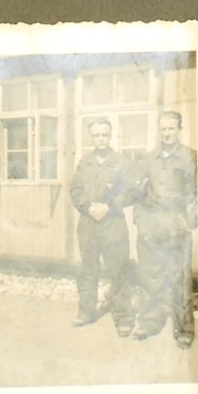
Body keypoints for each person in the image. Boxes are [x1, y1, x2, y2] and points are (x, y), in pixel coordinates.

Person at [131, 111, 198, 348]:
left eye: (171, 128)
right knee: (150, 275)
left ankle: (184, 328)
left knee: (180, 278)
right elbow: (139, 193)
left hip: (176, 225)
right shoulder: (149, 159)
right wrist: (140, 220)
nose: (167, 133)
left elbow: (196, 193)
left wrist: (190, 221)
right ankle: (149, 321)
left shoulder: (190, 157)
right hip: (151, 226)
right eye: (163, 129)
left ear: (179, 129)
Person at [69, 118, 140, 335]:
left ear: (111, 136)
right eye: (96, 135)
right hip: (88, 223)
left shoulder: (122, 162)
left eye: (104, 135)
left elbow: (130, 191)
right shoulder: (85, 162)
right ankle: (86, 313)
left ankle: (123, 318)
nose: (100, 139)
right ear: (91, 137)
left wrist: (108, 206)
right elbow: (76, 189)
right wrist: (87, 207)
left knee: (118, 271)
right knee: (88, 270)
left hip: (112, 224)